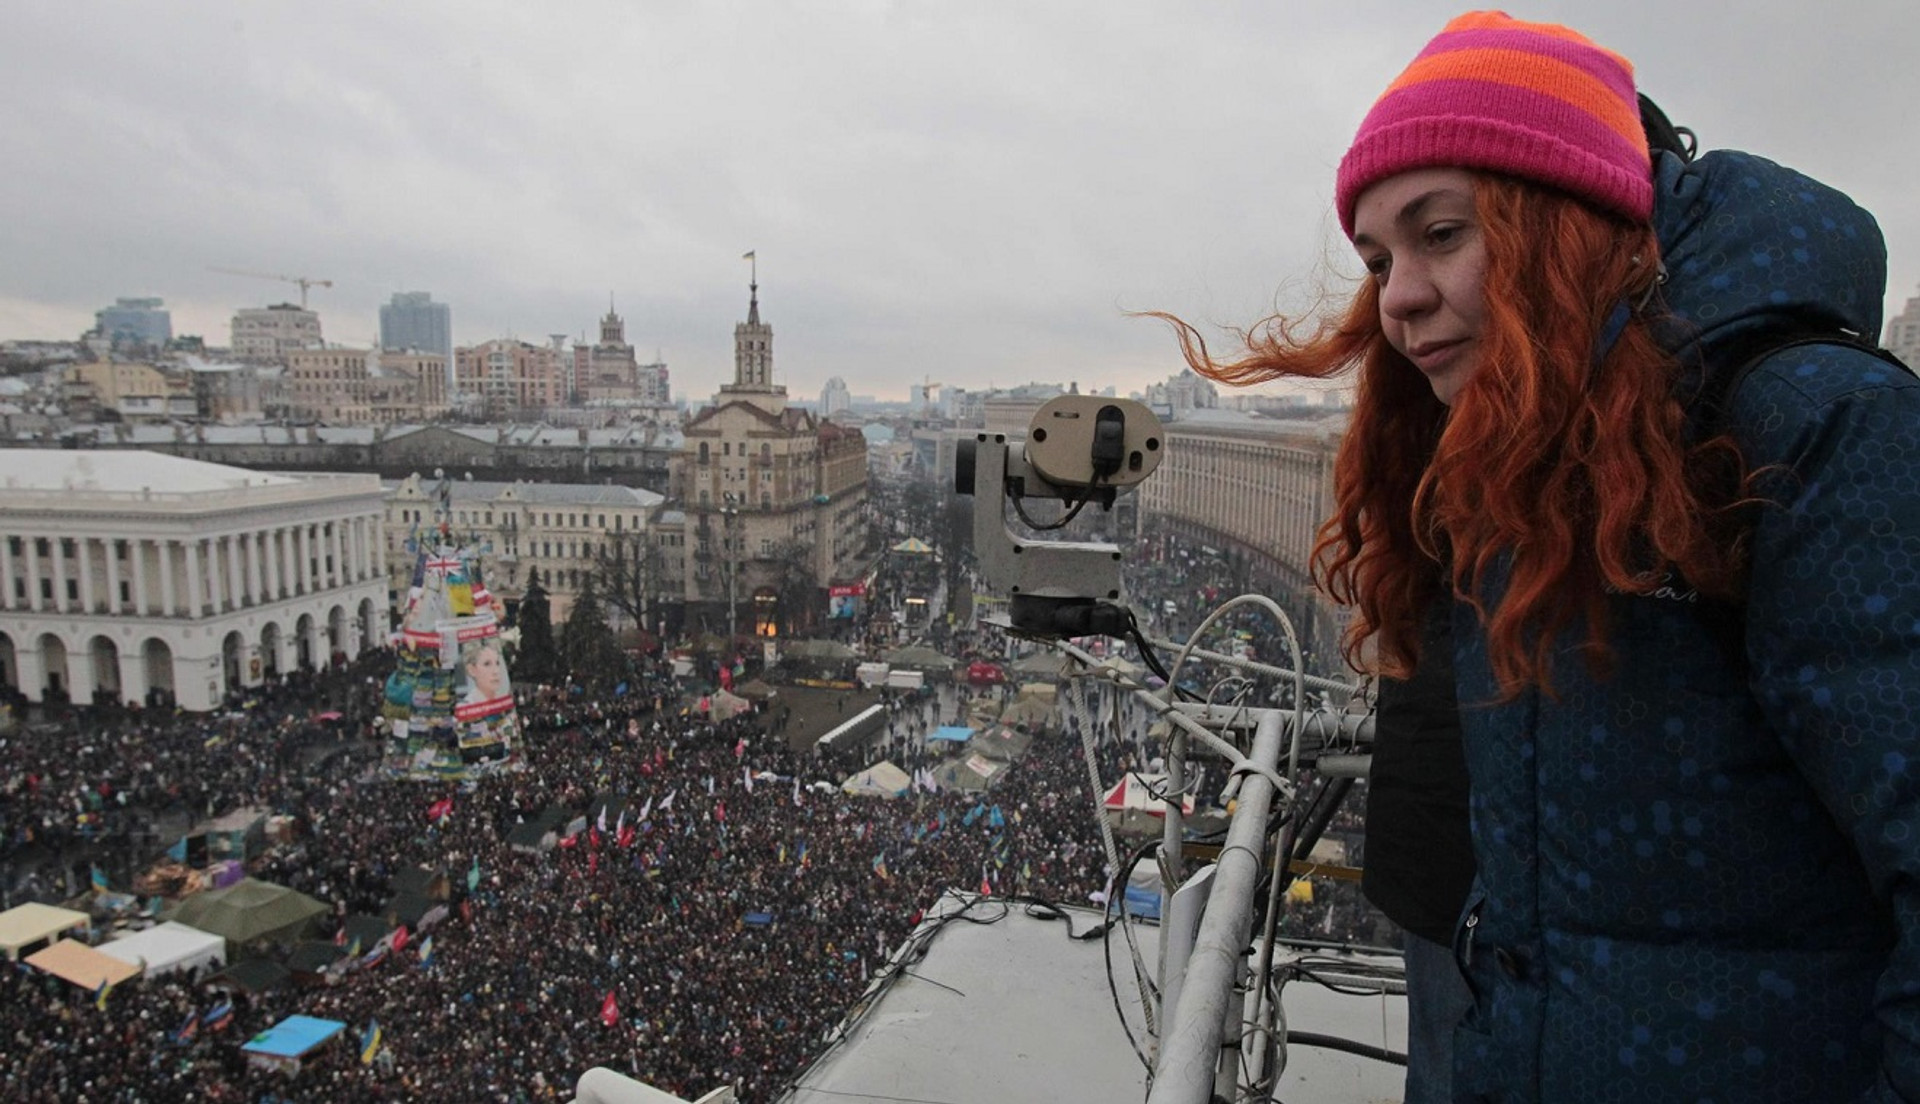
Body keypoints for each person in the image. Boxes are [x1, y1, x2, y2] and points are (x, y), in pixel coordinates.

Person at [1160, 11, 1920, 1102]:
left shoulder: (1817, 428)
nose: (1398, 296)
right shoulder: (1521, 453)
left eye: (1441, 233)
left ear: (1564, 222)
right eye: (1378, 259)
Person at [460, 640, 510, 707]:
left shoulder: (504, 702)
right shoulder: (465, 707)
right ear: (472, 670)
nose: (496, 671)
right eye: (487, 664)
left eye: (497, 663)